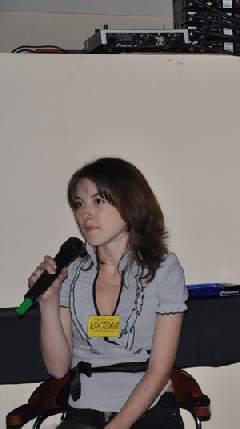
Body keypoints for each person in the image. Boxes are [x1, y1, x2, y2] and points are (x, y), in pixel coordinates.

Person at [28, 157, 187, 429]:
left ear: (130, 203)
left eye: (98, 201)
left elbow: (159, 370)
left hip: (149, 411)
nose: (85, 214)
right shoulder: (71, 271)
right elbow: (57, 367)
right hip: (84, 412)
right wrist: (48, 302)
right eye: (79, 204)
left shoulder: (163, 269)